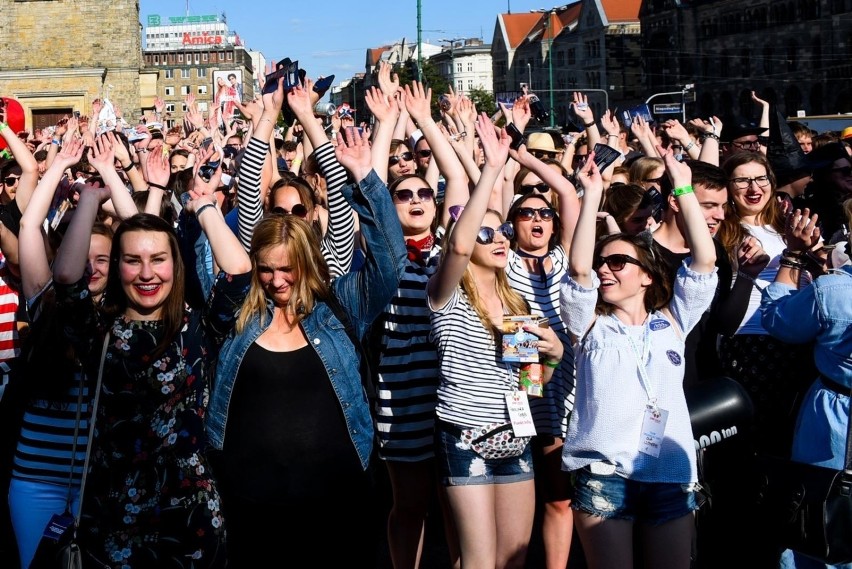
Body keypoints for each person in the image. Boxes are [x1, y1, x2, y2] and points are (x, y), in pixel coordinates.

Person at [204, 76, 407, 566]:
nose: (276, 281)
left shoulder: (339, 307)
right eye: (266, 269)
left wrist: (359, 174)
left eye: (287, 270)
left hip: (338, 499)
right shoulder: (239, 312)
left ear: (309, 263)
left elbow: (390, 258)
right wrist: (267, 118)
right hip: (251, 505)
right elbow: (250, 205)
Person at [51, 144, 252, 567]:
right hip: (113, 515)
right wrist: (89, 200)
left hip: (190, 513)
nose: (146, 273)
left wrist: (203, 207)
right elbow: (67, 276)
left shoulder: (196, 326)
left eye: (159, 260)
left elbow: (238, 272)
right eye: (132, 260)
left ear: (175, 266)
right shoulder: (99, 330)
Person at [560, 148, 718, 569]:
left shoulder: (672, 322)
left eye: (617, 262)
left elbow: (704, 259)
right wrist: (590, 193)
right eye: (601, 263)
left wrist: (682, 186)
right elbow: (578, 272)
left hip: (670, 476)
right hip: (605, 476)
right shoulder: (590, 325)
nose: (604, 271)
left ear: (646, 274)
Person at [428, 114, 564, 568]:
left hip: (514, 435)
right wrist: (490, 169)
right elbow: (461, 247)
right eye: (487, 232)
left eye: (503, 230)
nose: (501, 238)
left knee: (514, 559)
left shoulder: (516, 302)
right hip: (464, 437)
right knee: (479, 562)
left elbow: (529, 385)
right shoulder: (444, 293)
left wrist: (554, 360)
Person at [760, 205, 852, 569]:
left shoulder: (834, 291)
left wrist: (794, 256)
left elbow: (778, 319)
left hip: (835, 420)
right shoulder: (834, 286)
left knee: (821, 514)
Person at [503, 140, 581, 569]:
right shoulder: (501, 260)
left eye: (543, 213)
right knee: (513, 492)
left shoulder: (565, 258)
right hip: (514, 387)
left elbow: (568, 193)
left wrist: (526, 156)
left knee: (558, 494)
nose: (536, 219)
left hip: (561, 389)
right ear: (511, 222)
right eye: (525, 213)